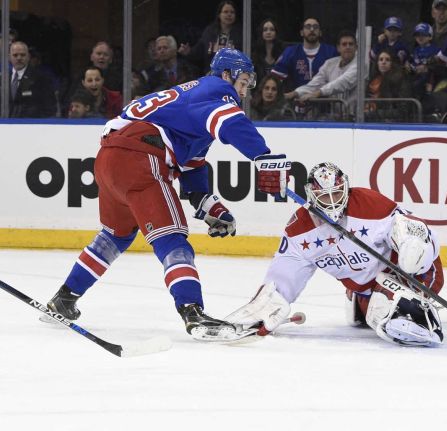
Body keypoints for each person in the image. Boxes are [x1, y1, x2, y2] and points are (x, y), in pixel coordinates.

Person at [44, 48, 291, 342]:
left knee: (115, 235)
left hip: (110, 159)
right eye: (244, 81)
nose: (245, 91)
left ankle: (65, 298)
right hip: (140, 157)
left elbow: (192, 169)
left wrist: (213, 208)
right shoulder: (217, 90)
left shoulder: (189, 103)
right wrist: (262, 156)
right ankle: (192, 311)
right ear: (228, 74)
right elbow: (232, 123)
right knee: (171, 238)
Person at [225, 162, 445, 347]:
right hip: (368, 285)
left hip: (416, 274)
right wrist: (270, 302)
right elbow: (284, 272)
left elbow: (409, 225)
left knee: (392, 313)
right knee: (371, 312)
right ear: (311, 195)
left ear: (346, 189)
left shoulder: (368, 204)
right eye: (324, 196)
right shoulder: (300, 230)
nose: (331, 202)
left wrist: (413, 243)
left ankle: (417, 308)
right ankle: (361, 296)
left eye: (337, 194)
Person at [284, 30, 358, 121]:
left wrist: (317, 93)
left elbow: (342, 82)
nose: (348, 47)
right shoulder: (330, 63)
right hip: (334, 117)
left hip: (356, 118)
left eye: (351, 44)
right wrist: (295, 93)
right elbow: (315, 83)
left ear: (356, 48)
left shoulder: (361, 65)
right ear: (338, 48)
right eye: (344, 44)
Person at [270, 17, 338, 92]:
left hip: (325, 101)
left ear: (320, 32)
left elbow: (339, 80)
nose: (312, 29)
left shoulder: (331, 52)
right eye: (308, 27)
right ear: (301, 32)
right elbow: (274, 80)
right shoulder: (290, 52)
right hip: (296, 101)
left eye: (315, 27)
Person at [179, 0, 242, 72]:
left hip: (233, 75)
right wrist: (188, 52)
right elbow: (199, 51)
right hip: (212, 74)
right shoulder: (209, 32)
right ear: (219, 15)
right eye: (225, 12)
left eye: (232, 12)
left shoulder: (241, 33)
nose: (229, 15)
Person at [8, 41, 57, 118]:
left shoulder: (41, 78)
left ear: (28, 57)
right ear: (9, 57)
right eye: (15, 55)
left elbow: (50, 108)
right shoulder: (3, 78)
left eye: (22, 55)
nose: (19, 58)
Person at [366, 49, 413, 123]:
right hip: (372, 116)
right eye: (381, 59)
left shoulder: (399, 79)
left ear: (392, 63)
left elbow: (403, 109)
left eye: (387, 60)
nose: (383, 62)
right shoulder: (372, 80)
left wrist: (375, 113)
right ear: (377, 63)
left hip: (391, 120)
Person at [408, 23, 441, 100]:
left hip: (431, 79)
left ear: (430, 37)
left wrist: (427, 67)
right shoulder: (415, 50)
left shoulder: (435, 49)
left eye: (423, 34)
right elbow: (413, 63)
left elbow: (439, 65)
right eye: (417, 35)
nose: (420, 37)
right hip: (417, 77)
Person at [252, 18, 285, 83]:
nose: (268, 32)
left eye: (272, 30)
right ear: (261, 33)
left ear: (276, 33)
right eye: (265, 30)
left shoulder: (283, 55)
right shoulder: (256, 56)